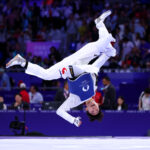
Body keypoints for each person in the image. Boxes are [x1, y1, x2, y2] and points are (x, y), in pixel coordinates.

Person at [6, 10, 116, 127]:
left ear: (87, 110)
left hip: (69, 66)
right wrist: (107, 56)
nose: (94, 109)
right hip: (81, 62)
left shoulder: (75, 100)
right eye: (97, 109)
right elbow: (95, 67)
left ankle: (21, 61)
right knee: (102, 49)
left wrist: (73, 120)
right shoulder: (93, 89)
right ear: (98, 105)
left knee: (46, 75)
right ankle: (100, 25)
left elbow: (60, 111)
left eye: (92, 112)